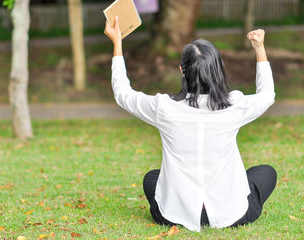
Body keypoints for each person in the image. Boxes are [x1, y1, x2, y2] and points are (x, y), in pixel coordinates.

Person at [104, 16, 277, 232]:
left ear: (181, 71)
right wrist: (259, 49)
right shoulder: (235, 105)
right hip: (231, 214)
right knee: (266, 172)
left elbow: (122, 94)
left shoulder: (164, 108)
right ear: (218, 71)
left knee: (152, 178)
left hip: (175, 214)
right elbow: (267, 95)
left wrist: (117, 42)